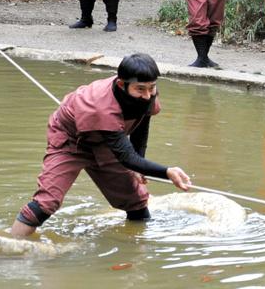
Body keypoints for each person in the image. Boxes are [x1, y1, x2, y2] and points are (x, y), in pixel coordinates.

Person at [10, 53, 191, 238]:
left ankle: (136, 253)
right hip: (71, 142)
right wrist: (167, 172)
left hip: (107, 143)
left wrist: (140, 165)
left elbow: (140, 127)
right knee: (46, 203)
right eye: (140, 89)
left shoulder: (147, 93)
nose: (147, 95)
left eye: (152, 87)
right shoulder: (101, 107)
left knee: (136, 201)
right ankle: (9, 245)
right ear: (122, 85)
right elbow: (126, 158)